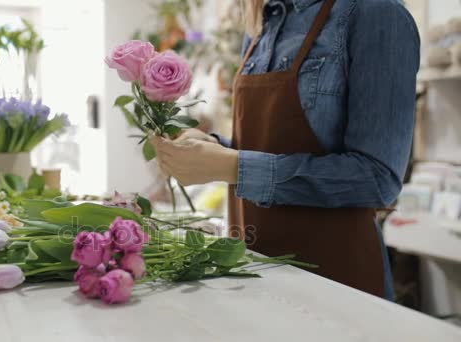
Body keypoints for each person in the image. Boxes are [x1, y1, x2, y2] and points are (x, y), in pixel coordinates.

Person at [150, 0, 420, 300]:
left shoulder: (375, 14)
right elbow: (262, 149)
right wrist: (213, 148)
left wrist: (233, 166)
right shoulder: (264, 21)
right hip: (255, 271)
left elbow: (378, 178)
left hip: (338, 284)